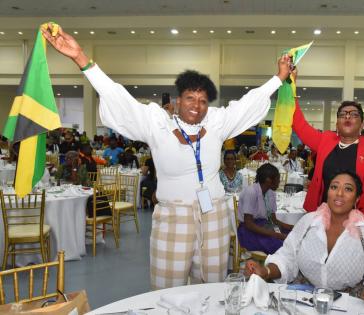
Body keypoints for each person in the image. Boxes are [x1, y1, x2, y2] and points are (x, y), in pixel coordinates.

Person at [42, 23, 292, 289]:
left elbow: (249, 103)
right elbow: (119, 98)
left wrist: (278, 77)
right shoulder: (157, 123)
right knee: (166, 289)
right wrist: (81, 58)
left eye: (203, 100)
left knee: (211, 287)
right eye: (190, 98)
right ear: (177, 99)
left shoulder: (217, 121)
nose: (197, 105)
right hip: (173, 218)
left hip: (214, 215)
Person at [245, 170, 364, 306]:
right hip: (303, 299)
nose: (339, 193)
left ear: (357, 198)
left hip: (350, 303)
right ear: (328, 192)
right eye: (334, 187)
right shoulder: (309, 222)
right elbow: (287, 257)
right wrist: (266, 271)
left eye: (348, 189)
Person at [291, 74, 364, 234]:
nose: (347, 116)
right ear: (337, 124)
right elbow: (299, 124)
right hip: (326, 220)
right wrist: (290, 85)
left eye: (354, 114)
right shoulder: (325, 139)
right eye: (342, 114)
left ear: (362, 124)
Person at [237, 163, 286, 254]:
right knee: (280, 245)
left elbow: (273, 220)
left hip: (265, 226)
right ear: (268, 180)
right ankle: (276, 265)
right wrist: (275, 234)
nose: (279, 182)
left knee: (290, 236)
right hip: (249, 231)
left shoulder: (270, 193)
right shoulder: (251, 192)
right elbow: (248, 224)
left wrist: (292, 227)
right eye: (277, 179)